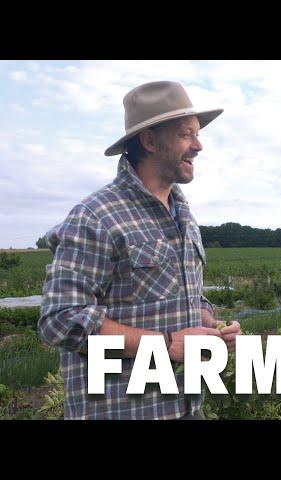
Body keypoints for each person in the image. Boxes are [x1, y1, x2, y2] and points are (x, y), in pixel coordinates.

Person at [38, 81, 241, 420]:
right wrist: (165, 344)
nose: (199, 145)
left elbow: (178, 294)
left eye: (197, 134)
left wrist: (209, 322)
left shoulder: (183, 213)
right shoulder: (96, 216)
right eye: (185, 134)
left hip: (186, 405)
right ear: (149, 141)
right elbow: (60, 319)